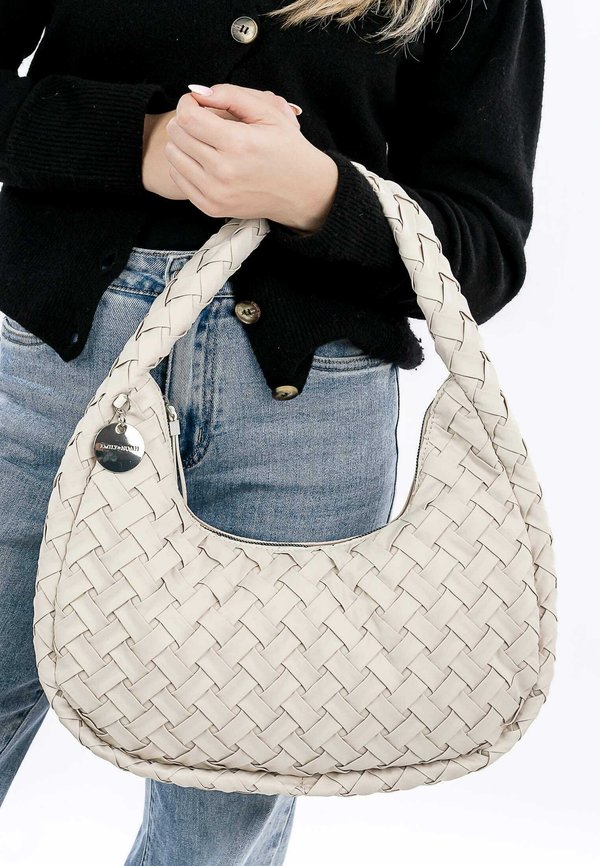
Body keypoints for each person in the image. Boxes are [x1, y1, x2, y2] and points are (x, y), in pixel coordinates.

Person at [0, 0, 544, 863]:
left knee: (221, 822)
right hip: (48, 378)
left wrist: (321, 195)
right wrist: (138, 143)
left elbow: (484, 251)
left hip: (308, 425)